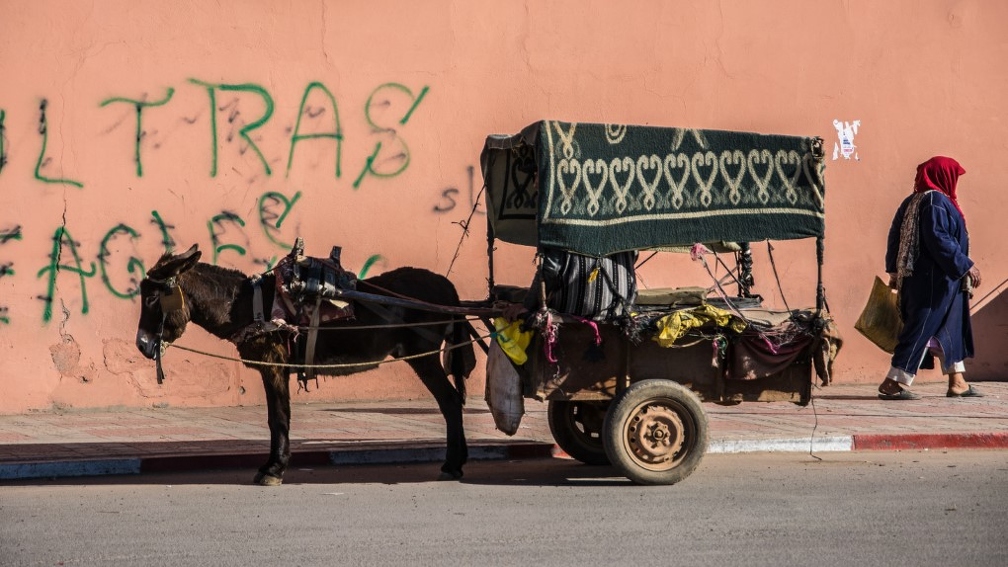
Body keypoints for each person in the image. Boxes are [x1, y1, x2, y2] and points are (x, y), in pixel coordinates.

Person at [877, 156, 983, 400]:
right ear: (943, 176)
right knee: (920, 328)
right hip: (933, 281)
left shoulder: (914, 201)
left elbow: (895, 235)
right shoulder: (935, 201)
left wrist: (894, 270)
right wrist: (965, 265)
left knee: (950, 328)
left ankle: (958, 382)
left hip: (940, 280)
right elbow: (938, 238)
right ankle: (893, 382)